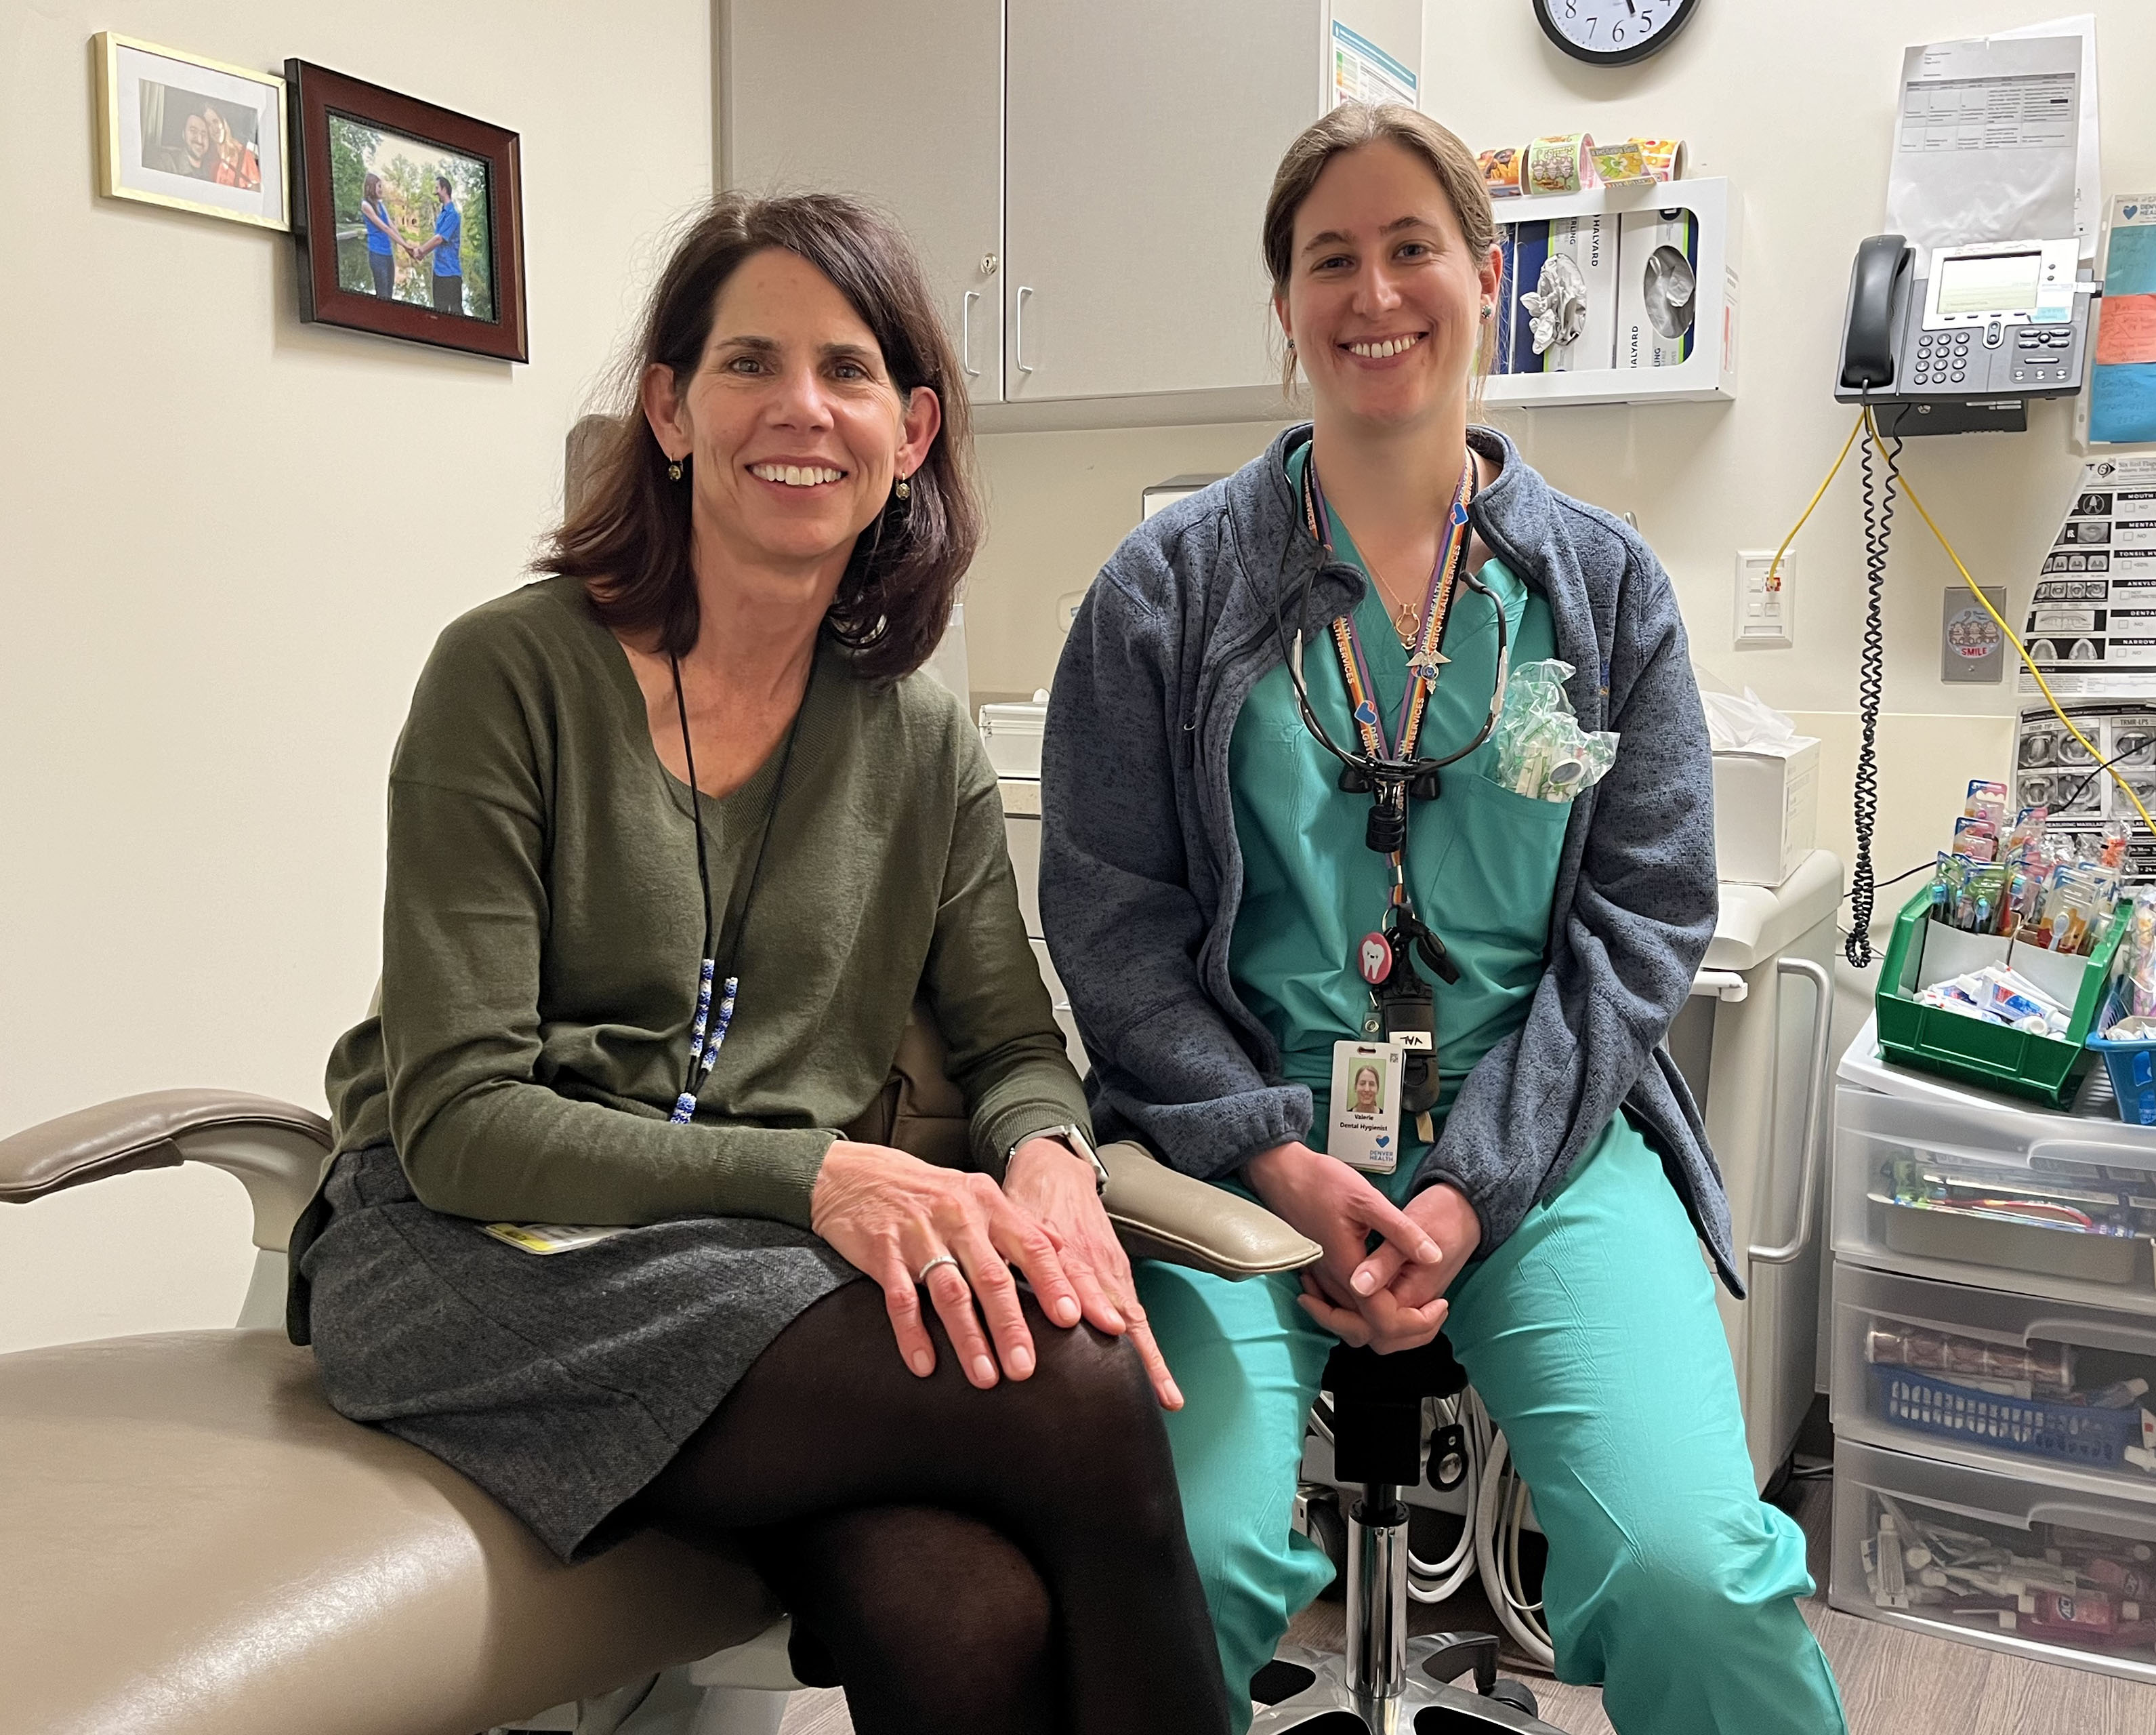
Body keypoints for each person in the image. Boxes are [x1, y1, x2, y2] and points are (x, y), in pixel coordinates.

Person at [295, 190, 1224, 1735]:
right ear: (668, 407)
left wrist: (1053, 1156)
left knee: (962, 1609)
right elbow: (457, 1118)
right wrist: (817, 1176)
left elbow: (1009, 1037)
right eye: (749, 363)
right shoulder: (509, 674)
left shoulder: (917, 731)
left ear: (911, 431)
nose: (802, 408)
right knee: (1077, 1384)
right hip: (474, 1264)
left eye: (850, 370)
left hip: (741, 1273)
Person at [1040, 103, 1849, 1734]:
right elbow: (1109, 923)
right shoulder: (1164, 591)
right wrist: (1274, 1147)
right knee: (1170, 1552)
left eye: (1411, 244)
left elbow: (1639, 923)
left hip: (1540, 1140)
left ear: (1486, 273)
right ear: (1280, 305)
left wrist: (1472, 1184)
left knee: (1697, 1566)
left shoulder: (1601, 591)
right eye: (1327, 257)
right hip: (1234, 1151)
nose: (1373, 290)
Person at [409, 171, 463, 314]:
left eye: (437, 189)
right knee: (439, 314)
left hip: (451, 276)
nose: (435, 192)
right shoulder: (442, 215)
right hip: (438, 273)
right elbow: (437, 243)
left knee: (456, 317)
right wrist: (422, 254)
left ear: (444, 189)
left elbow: (439, 239)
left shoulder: (453, 215)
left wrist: (421, 251)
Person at [358, 172, 402, 302]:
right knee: (383, 295)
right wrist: (405, 245)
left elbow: (391, 225)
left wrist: (406, 246)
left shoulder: (381, 205)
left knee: (389, 292)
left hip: (388, 254)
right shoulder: (366, 205)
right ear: (371, 187)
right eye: (379, 186)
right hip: (377, 255)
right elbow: (385, 228)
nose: (381, 189)